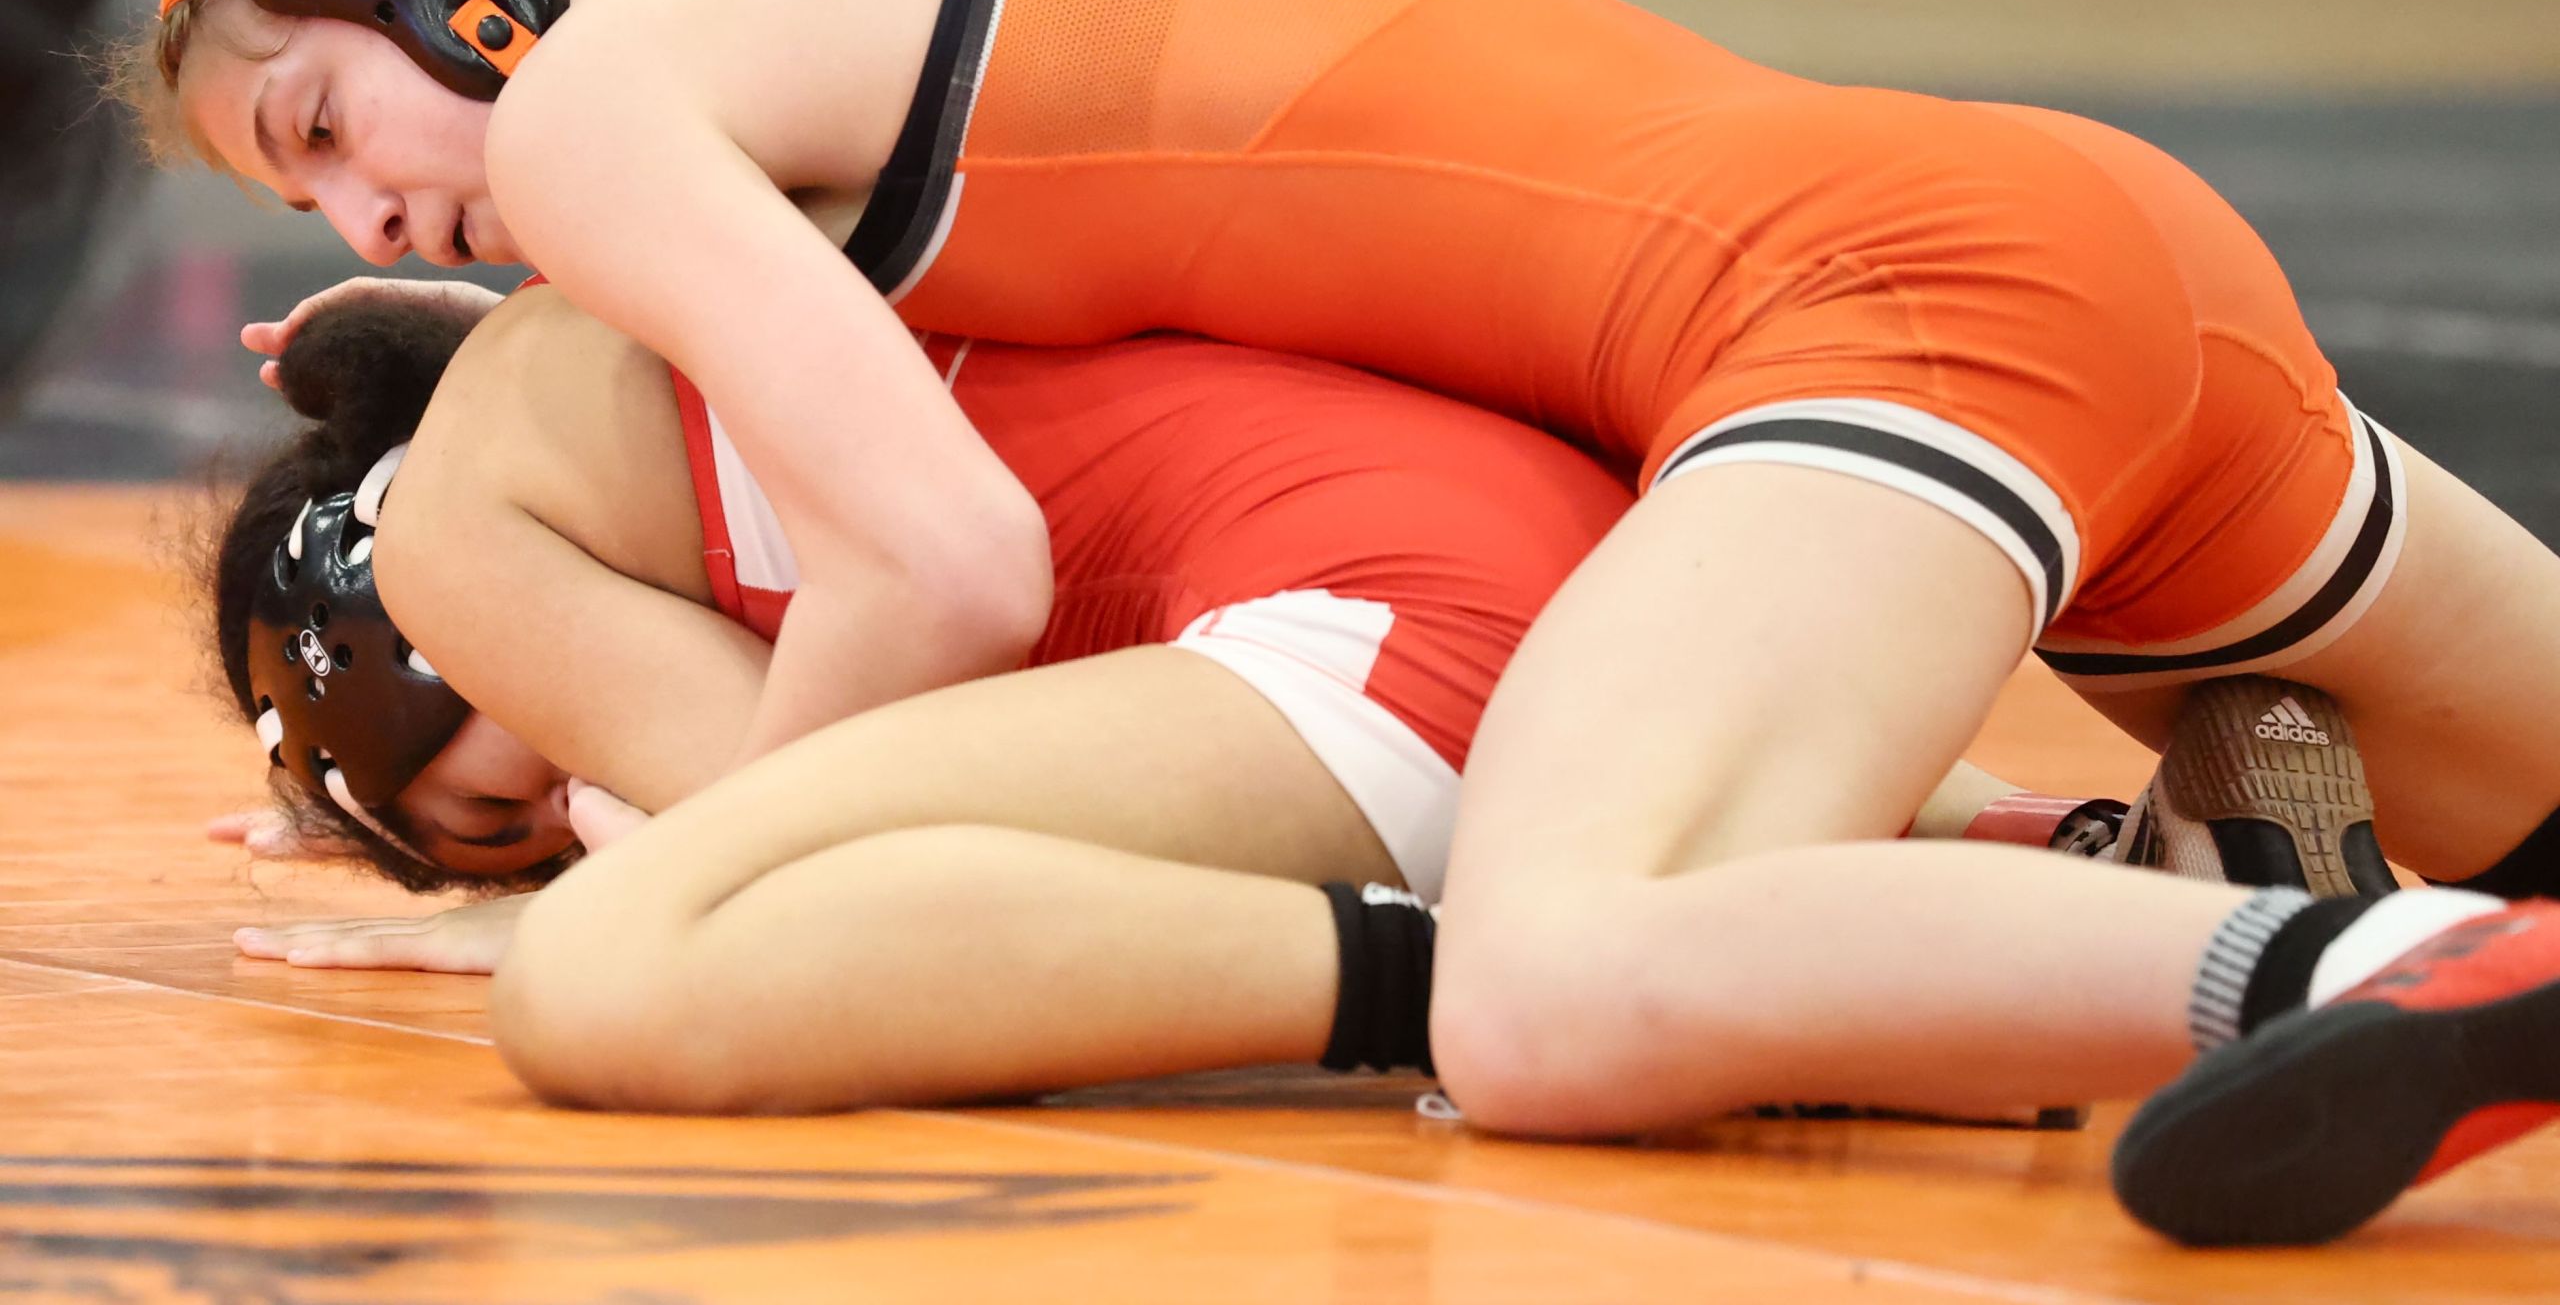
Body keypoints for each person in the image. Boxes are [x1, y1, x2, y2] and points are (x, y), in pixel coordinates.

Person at [137, 0, 2560, 1246]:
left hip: (1873, 318)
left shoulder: (601, 105)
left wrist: (725, 872)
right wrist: (471, 359)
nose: (360, 217)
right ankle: (2253, 842)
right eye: (301, 202)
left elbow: (951, 554)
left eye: (321, 123)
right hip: (2070, 270)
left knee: (1544, 991)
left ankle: (2333, 958)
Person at [207, 280, 2087, 1095]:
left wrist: (583, 890)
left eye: (500, 804)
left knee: (662, 967)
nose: (560, 816)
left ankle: (1508, 979)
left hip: (1402, 618)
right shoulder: (676, 330)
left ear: (401, 622)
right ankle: (2071, 854)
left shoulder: (461, 535)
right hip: (1614, 539)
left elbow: (759, 848)